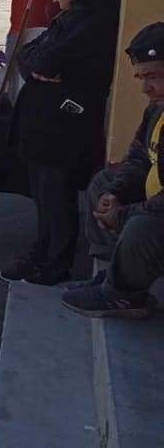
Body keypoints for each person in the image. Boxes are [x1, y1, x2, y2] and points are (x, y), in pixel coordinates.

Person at [2, 0, 122, 285]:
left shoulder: (95, 25)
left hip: (64, 126)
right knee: (43, 194)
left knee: (58, 195)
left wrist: (40, 67)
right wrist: (37, 66)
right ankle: (42, 250)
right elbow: (27, 55)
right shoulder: (68, 19)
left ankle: (57, 261)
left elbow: (49, 60)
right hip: (43, 124)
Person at [62, 22, 164, 317]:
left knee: (143, 227)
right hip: (152, 203)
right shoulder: (157, 107)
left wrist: (123, 215)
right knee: (103, 183)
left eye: (154, 76)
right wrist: (116, 193)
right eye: (141, 78)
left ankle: (125, 297)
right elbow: (140, 158)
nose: (146, 88)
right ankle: (112, 274)